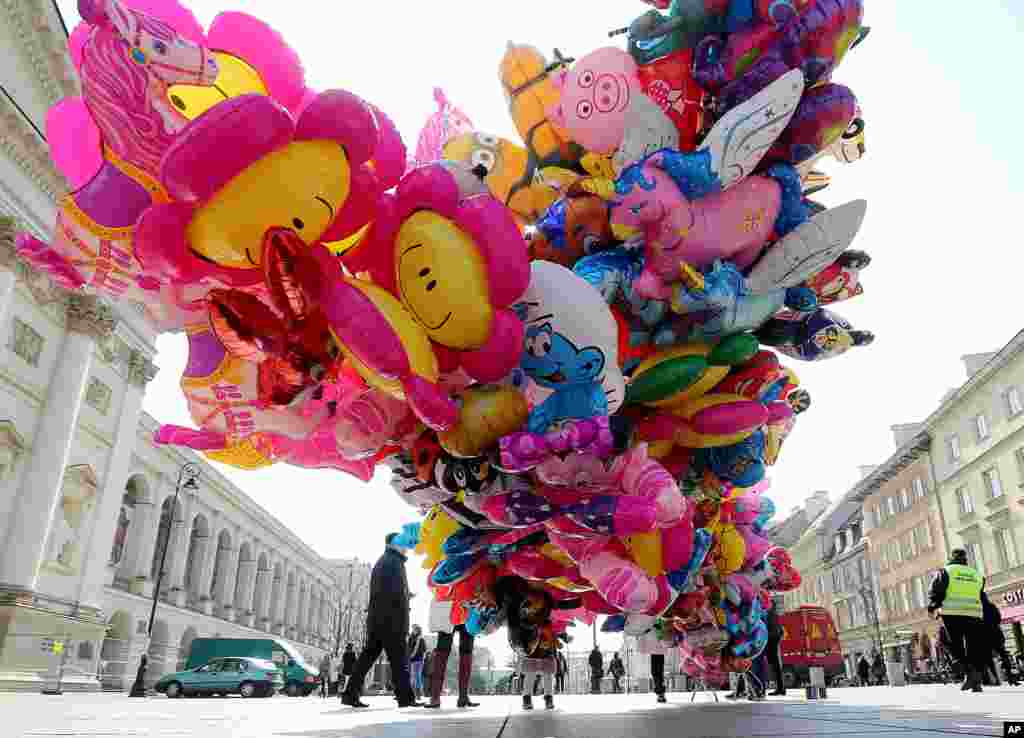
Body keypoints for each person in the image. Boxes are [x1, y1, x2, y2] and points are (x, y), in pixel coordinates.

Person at [341, 534, 420, 708]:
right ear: (393, 544)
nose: (406, 546)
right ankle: (406, 698)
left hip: (378, 618)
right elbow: (395, 592)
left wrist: (405, 595)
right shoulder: (394, 562)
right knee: (400, 659)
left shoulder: (385, 560)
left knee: (367, 659)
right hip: (392, 620)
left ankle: (350, 694)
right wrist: (405, 598)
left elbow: (386, 590)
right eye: (402, 543)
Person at [928, 547, 986, 692]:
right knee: (974, 646)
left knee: (955, 645)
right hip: (974, 614)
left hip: (953, 613)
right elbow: (981, 594)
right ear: (965, 559)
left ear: (951, 557)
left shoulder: (946, 571)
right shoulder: (976, 574)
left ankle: (969, 673)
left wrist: (933, 607)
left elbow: (936, 590)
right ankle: (975, 679)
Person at [425, 621, 479, 709]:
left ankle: (463, 697)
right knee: (442, 651)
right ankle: (435, 697)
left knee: (466, 652)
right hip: (449, 611)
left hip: (467, 612)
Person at [982, 591, 1019, 686]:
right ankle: (1011, 676)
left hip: (986, 636)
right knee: (1004, 655)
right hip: (997, 634)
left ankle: (995, 679)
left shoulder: (978, 609)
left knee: (988, 658)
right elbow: (998, 618)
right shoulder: (992, 606)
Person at [765, 600, 786, 695]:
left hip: (771, 639)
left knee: (774, 664)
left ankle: (780, 688)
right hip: (774, 638)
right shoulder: (774, 614)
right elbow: (781, 630)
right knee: (775, 664)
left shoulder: (770, 614)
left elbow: (771, 628)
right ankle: (780, 688)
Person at [407, 625, 427, 700]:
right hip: (411, 660)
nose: (413, 630)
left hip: (419, 660)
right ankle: (412, 693)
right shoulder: (411, 638)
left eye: (415, 629)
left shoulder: (421, 639)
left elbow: (424, 650)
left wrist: (422, 658)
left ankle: (418, 694)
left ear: (418, 630)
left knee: (417, 676)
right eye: (413, 629)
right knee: (412, 676)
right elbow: (408, 648)